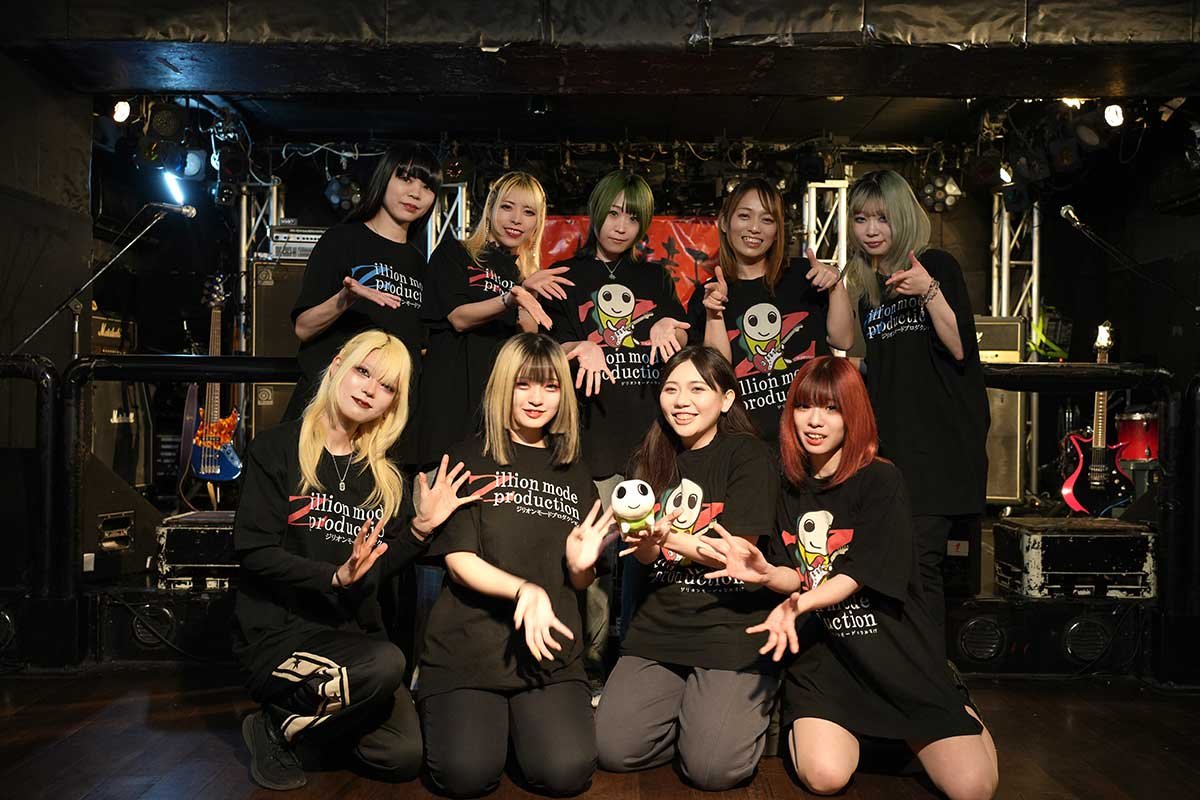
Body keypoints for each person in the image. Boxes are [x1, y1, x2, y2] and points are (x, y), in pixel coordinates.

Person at [701, 356, 998, 800]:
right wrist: (765, 574)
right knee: (825, 777)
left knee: (972, 789)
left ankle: (953, 697)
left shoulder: (880, 479)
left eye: (831, 408)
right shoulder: (785, 485)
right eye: (804, 407)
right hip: (828, 659)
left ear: (853, 415)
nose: (815, 421)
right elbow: (796, 574)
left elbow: (856, 573)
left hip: (893, 652)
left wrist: (801, 603)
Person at [233, 330, 479, 791]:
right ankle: (274, 723)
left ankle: (301, 726)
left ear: (393, 404)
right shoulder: (276, 448)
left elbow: (377, 567)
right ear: (337, 366)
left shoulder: (384, 476)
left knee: (401, 755)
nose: (369, 390)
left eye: (386, 386)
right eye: (363, 372)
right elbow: (253, 551)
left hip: (351, 640)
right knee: (385, 664)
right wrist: (334, 576)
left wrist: (420, 529)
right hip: (281, 636)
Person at [418, 333, 610, 798]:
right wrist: (524, 589)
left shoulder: (574, 470)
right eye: (524, 384)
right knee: (465, 775)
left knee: (565, 773)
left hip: (548, 655)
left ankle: (516, 727)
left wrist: (581, 566)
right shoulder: (468, 456)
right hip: (470, 648)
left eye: (550, 387)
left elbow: (581, 578)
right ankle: (485, 725)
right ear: (503, 386)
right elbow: (459, 561)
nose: (536, 398)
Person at [594, 346, 780, 791]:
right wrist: (644, 542)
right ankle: (695, 717)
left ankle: (723, 719)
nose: (681, 401)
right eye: (671, 389)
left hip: (729, 628)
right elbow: (643, 557)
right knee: (611, 749)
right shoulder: (650, 457)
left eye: (698, 389)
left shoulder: (749, 455)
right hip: (661, 627)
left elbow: (737, 555)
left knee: (712, 770)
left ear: (726, 399)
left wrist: (669, 538)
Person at [544, 170, 690, 694]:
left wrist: (670, 327)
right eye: (613, 213)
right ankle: (590, 670)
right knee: (599, 558)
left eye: (633, 216)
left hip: (651, 439)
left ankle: (638, 663)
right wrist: (577, 347)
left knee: (649, 553)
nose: (621, 225)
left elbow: (681, 337)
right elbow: (541, 352)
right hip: (593, 437)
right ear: (596, 212)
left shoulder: (655, 280)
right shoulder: (566, 274)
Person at [844, 169, 989, 650]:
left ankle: (932, 673)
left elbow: (961, 347)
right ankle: (913, 665)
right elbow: (874, 361)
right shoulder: (870, 287)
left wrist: (929, 290)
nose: (871, 230)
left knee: (921, 566)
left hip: (939, 448)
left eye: (882, 218)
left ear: (903, 217)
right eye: (861, 219)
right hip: (893, 450)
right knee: (897, 566)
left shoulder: (935, 264)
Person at [415, 171, 572, 469]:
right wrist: (509, 298)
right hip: (449, 406)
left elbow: (527, 339)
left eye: (528, 213)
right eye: (507, 207)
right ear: (490, 209)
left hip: (496, 414)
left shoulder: (524, 276)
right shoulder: (455, 252)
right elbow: (458, 318)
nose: (516, 219)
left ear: (537, 223)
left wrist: (527, 293)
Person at [284, 143, 441, 435]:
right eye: (405, 178)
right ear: (384, 178)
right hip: (328, 415)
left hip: (384, 426)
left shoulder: (420, 263)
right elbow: (303, 328)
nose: (415, 194)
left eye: (427, 186)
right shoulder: (341, 241)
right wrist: (345, 299)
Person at [689, 177, 854, 441]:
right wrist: (714, 313)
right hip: (749, 444)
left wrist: (835, 285)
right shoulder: (708, 295)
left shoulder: (804, 275)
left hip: (814, 437)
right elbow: (719, 375)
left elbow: (843, 340)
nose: (755, 228)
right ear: (724, 222)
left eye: (767, 220)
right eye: (744, 216)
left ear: (777, 230)